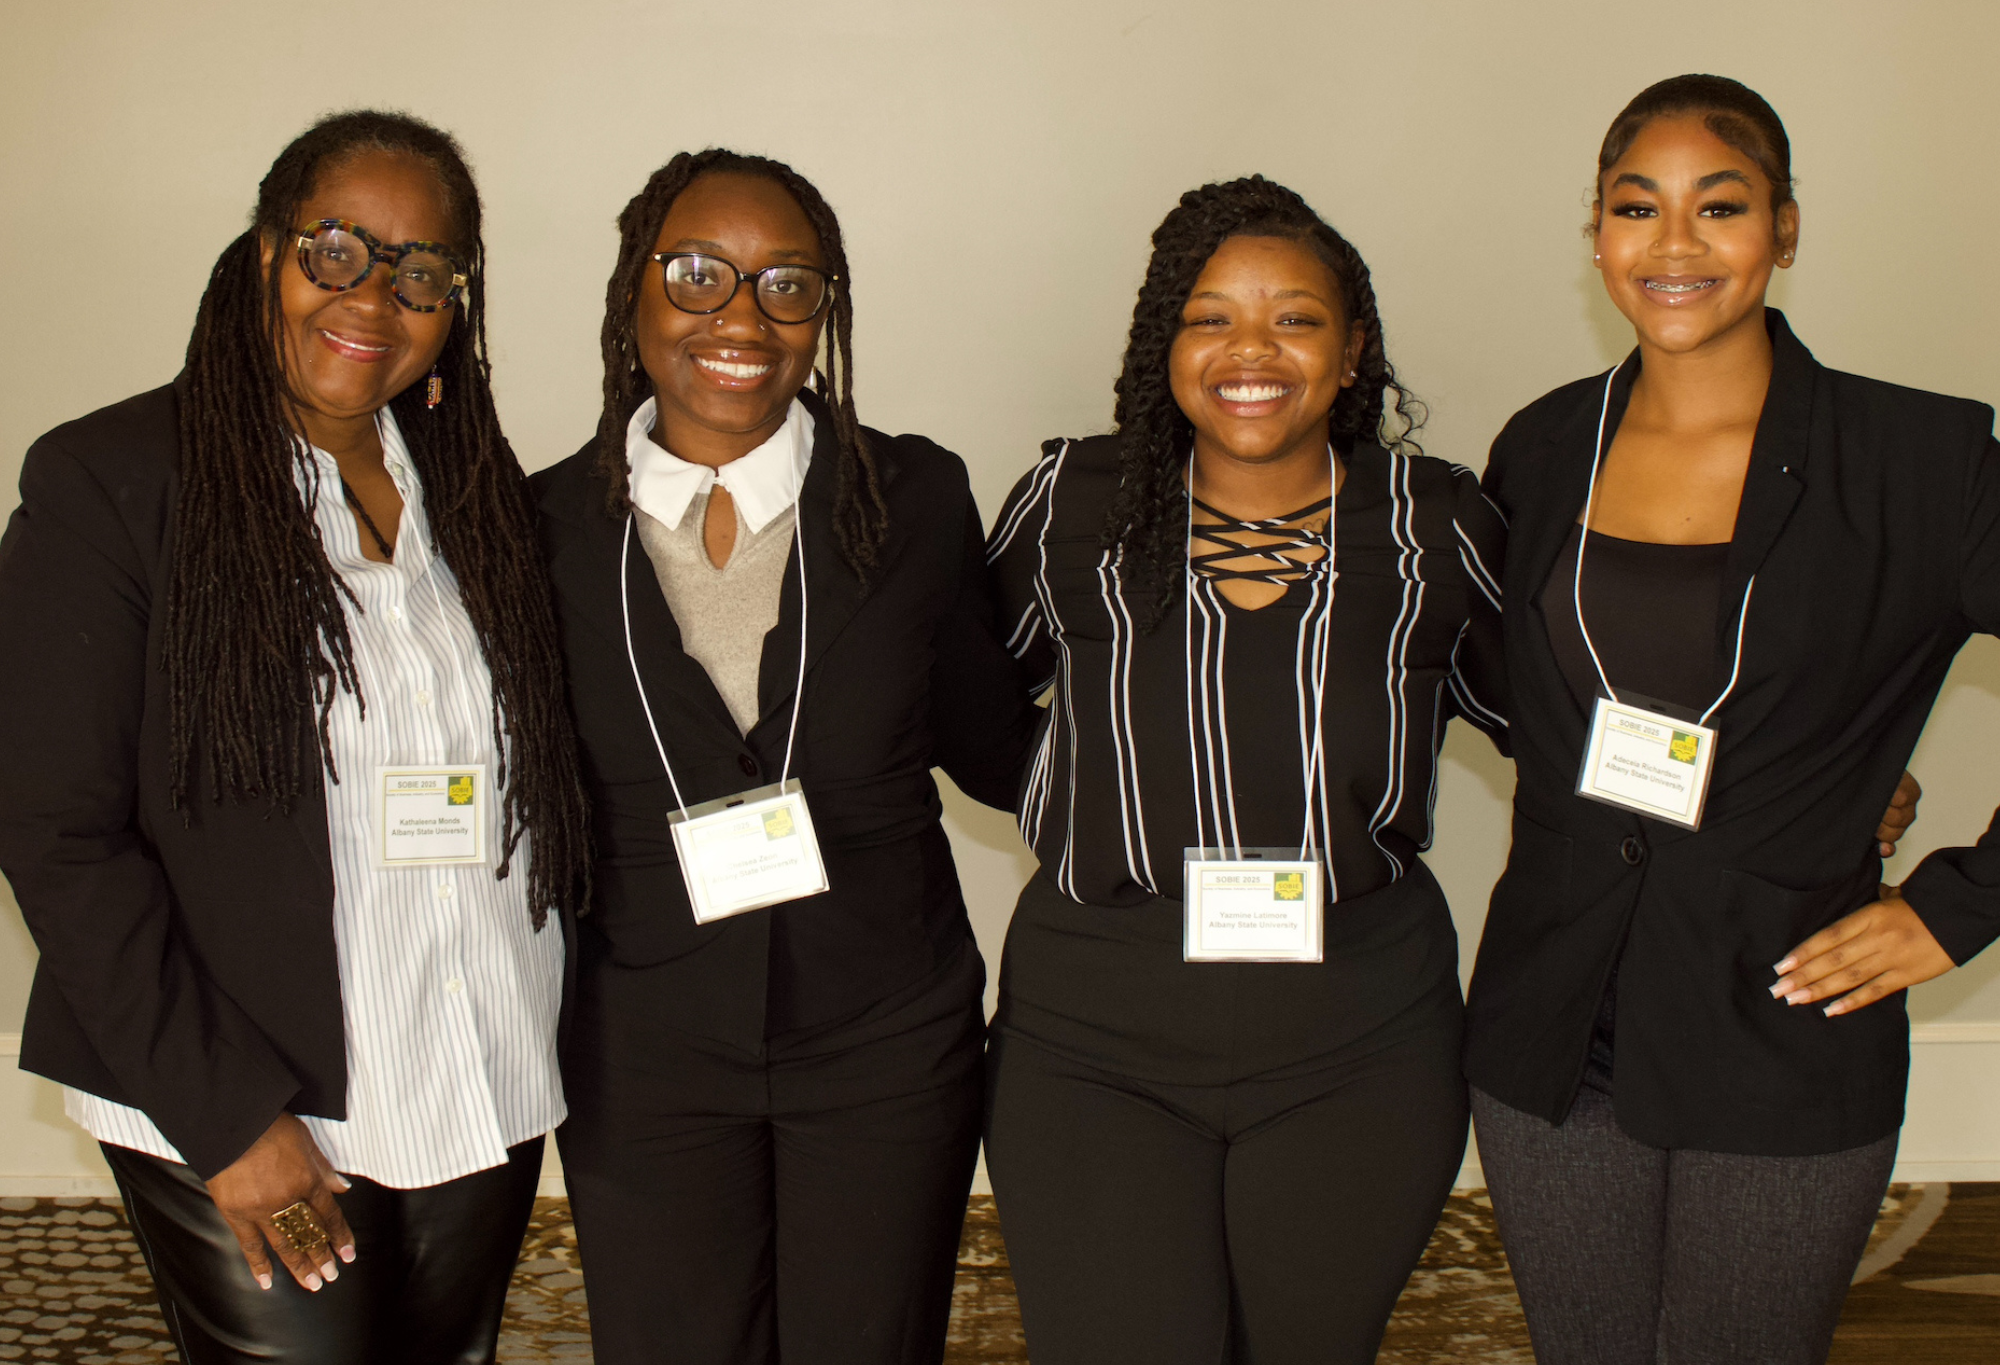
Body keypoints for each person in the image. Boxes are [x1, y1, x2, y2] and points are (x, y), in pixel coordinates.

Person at [1464, 73, 2000, 1364]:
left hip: (1782, 1028)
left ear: (1785, 229)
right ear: (1597, 235)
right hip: (1550, 1028)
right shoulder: (1544, 447)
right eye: (1635, 207)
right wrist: (1801, 773)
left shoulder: (1920, 462)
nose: (1673, 246)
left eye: (1718, 207)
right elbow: (1529, 706)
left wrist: (1955, 908)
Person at [0, 110, 589, 1363]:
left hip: (473, 1056)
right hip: (247, 1086)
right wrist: (226, 1117)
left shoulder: (470, 485)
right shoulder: (111, 480)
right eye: (339, 249)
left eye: (422, 270)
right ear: (265, 252)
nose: (376, 294)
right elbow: (55, 833)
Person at [980, 175, 1510, 1362]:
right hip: (1095, 1037)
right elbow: (963, 703)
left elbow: (1565, 718)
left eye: (1295, 317)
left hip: (1358, 1034)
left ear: (1352, 345)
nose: (1249, 350)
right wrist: (1089, 801)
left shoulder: (1435, 524)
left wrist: (1817, 781)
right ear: (1162, 340)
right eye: (1208, 315)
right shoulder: (1074, 502)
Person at [531, 149, 1035, 1365]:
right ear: (632, 294)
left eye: (786, 285)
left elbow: (996, 746)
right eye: (698, 275)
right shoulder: (537, 523)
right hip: (642, 1040)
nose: (740, 318)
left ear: (827, 311)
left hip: (880, 1037)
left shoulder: (912, 497)